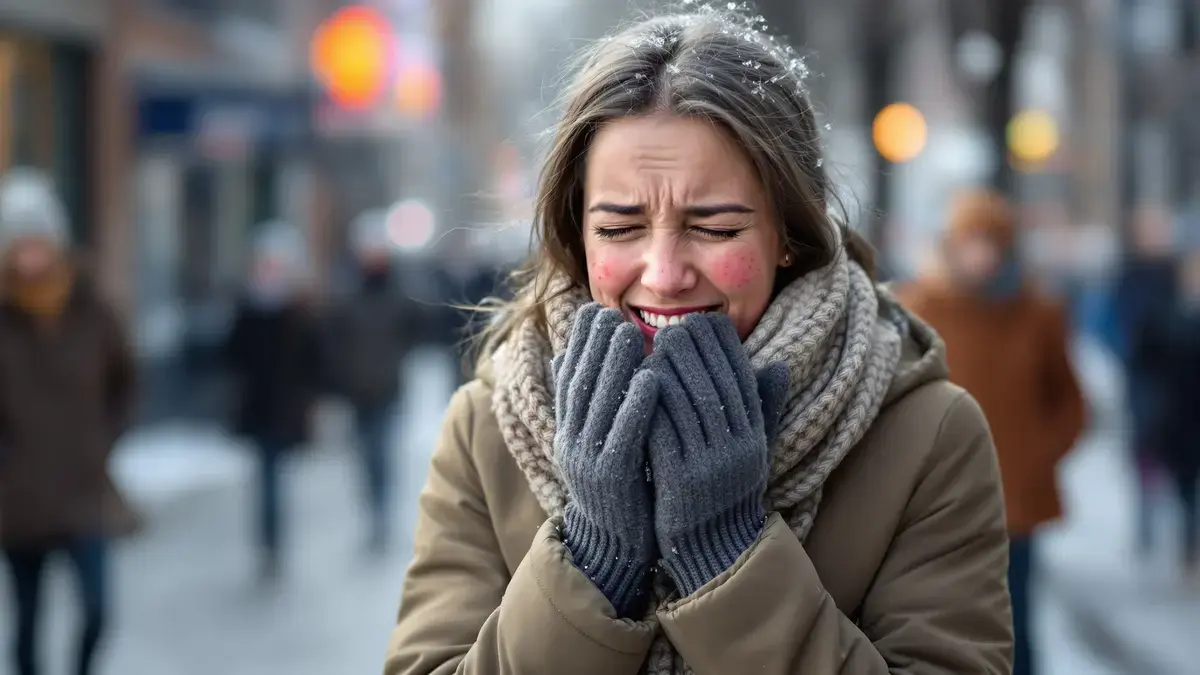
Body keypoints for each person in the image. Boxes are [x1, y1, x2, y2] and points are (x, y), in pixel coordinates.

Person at [384, 11, 1012, 675]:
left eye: (713, 227)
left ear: (788, 236)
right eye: (621, 228)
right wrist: (593, 561)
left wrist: (730, 556)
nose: (664, 272)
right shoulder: (487, 431)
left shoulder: (926, 436)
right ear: (577, 236)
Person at [896, 189, 1086, 675]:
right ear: (952, 245)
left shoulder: (1038, 313)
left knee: (1016, 627)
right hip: (939, 504)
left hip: (1014, 506)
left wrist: (1038, 455)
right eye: (972, 242)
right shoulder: (919, 306)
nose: (983, 255)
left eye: (993, 243)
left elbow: (1071, 404)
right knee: (942, 630)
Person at [0, 168, 138, 675]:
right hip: (20, 497)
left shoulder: (92, 311)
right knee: (27, 621)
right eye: (19, 244)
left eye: (37, 242)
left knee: (98, 609)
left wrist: (105, 436)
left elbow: (125, 380)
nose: (29, 256)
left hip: (84, 488)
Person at [224, 221, 323, 581]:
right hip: (257, 407)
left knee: (275, 476)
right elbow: (232, 355)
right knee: (267, 476)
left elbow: (313, 358)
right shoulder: (247, 305)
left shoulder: (299, 308)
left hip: (287, 407)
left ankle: (274, 540)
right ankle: (269, 542)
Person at [324, 214, 421, 555]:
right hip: (357, 389)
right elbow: (332, 338)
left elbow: (413, 328)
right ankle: (371, 511)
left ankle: (381, 515)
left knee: (381, 454)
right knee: (364, 455)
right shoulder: (347, 291)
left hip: (387, 387)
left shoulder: (397, 289)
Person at [1135, 248, 1200, 578]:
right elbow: (1146, 361)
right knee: (1184, 488)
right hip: (1178, 414)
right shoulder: (1165, 313)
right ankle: (1185, 545)